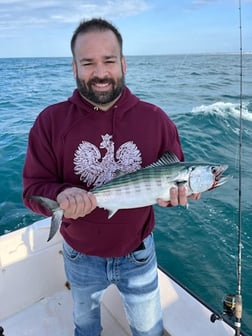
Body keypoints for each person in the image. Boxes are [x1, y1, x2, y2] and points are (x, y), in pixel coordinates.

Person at [23, 18, 199, 336]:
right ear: (74, 68)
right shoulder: (50, 122)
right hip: (80, 255)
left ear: (124, 64)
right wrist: (62, 194)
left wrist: (180, 197)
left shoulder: (157, 120)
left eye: (109, 60)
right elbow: (32, 190)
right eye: (88, 62)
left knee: (149, 331)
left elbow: (170, 184)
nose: (101, 73)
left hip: (139, 254)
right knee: (85, 328)